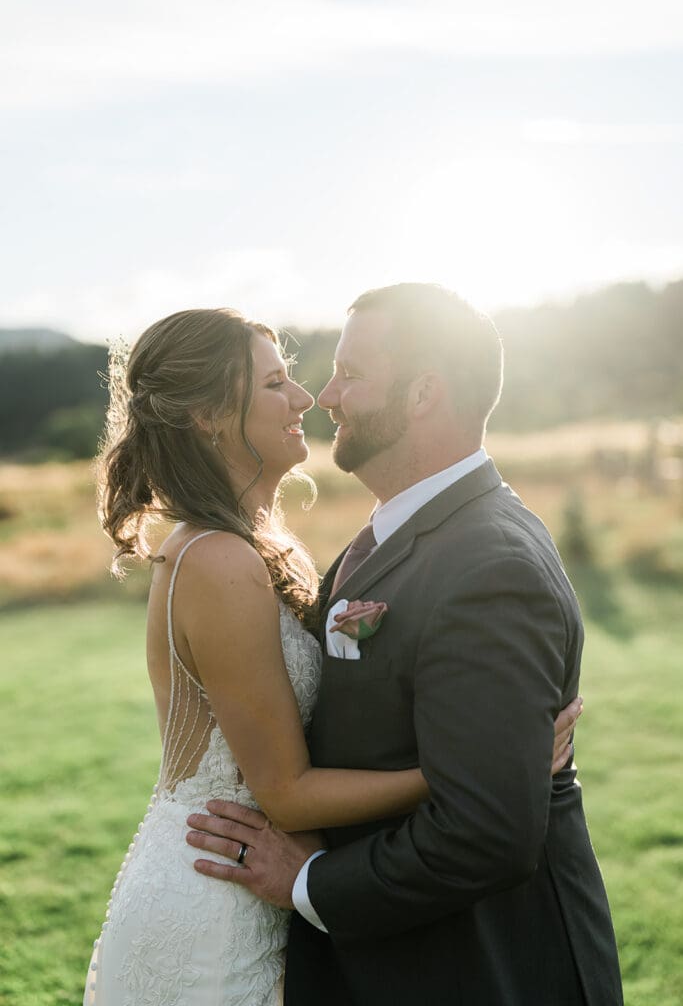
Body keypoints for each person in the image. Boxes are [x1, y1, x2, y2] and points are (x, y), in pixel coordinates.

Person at [84, 304, 578, 1006]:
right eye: (275, 383)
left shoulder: (275, 549)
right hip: (215, 888)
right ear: (208, 416)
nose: (311, 397)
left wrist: (500, 726)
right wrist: (479, 764)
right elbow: (284, 789)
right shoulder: (217, 561)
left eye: (340, 374)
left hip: (265, 887)